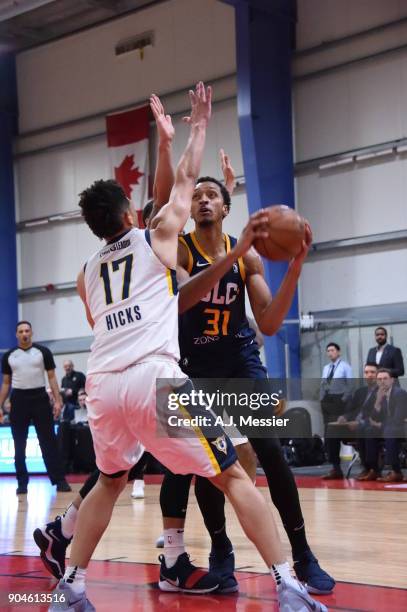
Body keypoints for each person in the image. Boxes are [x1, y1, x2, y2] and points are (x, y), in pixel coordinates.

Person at [47, 82, 326, 612]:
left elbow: (96, 316)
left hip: (102, 385)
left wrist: (168, 142)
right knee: (233, 474)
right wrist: (194, 127)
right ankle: (289, 586)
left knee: (107, 483)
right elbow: (179, 185)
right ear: (131, 215)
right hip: (154, 376)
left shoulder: (87, 270)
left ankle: (72, 588)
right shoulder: (156, 239)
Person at [0, 321, 71, 494]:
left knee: (48, 442)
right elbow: (6, 383)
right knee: (19, 443)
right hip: (19, 400)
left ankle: (59, 480)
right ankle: (22, 483)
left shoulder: (43, 352)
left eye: (27, 330)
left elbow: (52, 378)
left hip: (39, 398)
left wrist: (57, 400)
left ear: (32, 333)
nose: (24, 334)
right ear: (16, 334)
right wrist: (0, 405)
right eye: (21, 331)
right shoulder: (9, 355)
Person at [323, 363, 378, 480]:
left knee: (362, 428)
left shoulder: (382, 392)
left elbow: (379, 413)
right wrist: (345, 417)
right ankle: (336, 468)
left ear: (378, 374)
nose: (369, 375)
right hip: (352, 425)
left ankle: (368, 468)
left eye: (372, 372)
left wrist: (361, 422)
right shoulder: (360, 392)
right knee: (332, 428)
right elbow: (350, 409)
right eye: (366, 372)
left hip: (369, 426)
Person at [371, 369, 407, 483]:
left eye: (385, 378)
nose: (382, 382)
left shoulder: (399, 393)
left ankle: (396, 471)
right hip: (389, 426)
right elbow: (374, 417)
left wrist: (380, 424)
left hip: (402, 426)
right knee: (367, 430)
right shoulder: (378, 394)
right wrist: (377, 401)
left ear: (392, 380)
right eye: (379, 379)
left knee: (390, 430)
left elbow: (398, 418)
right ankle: (372, 469)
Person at [320, 343, 353, 434]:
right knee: (327, 425)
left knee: (336, 426)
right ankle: (327, 447)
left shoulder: (345, 366)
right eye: (328, 351)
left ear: (338, 352)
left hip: (339, 399)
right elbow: (323, 384)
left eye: (332, 350)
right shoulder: (326, 368)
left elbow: (350, 384)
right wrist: (322, 399)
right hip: (327, 399)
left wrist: (343, 399)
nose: (330, 353)